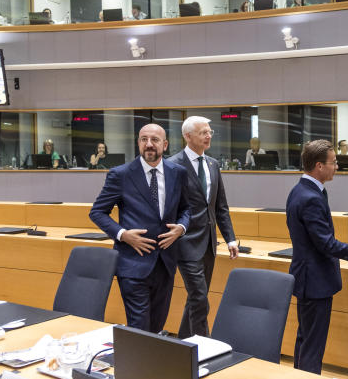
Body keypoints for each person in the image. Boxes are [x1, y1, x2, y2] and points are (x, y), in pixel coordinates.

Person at [90, 123, 190, 332]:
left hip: (165, 263)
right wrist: (123, 234)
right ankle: (136, 364)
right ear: (138, 143)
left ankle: (152, 364)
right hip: (133, 263)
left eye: (154, 140)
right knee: (139, 327)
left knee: (156, 326)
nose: (149, 144)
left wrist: (181, 227)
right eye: (144, 139)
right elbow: (97, 212)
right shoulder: (121, 174)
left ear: (165, 144)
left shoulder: (178, 173)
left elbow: (187, 209)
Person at [286, 139, 348, 374]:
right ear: (319, 166)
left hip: (306, 278)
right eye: (333, 163)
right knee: (313, 345)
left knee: (305, 339)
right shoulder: (310, 197)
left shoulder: (300, 190)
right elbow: (325, 243)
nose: (337, 167)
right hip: (315, 281)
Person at [168, 116, 238, 337]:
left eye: (210, 132)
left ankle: (183, 342)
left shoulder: (213, 164)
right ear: (187, 137)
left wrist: (230, 238)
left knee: (197, 297)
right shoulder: (172, 165)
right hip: (185, 241)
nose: (208, 136)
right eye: (203, 133)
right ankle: (202, 349)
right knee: (199, 298)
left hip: (209, 242)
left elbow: (220, 206)